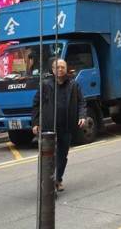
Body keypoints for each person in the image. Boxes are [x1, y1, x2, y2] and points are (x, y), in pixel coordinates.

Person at [31, 58, 86, 193]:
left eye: (62, 67)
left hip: (66, 126)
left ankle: (58, 179)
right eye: (57, 67)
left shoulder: (73, 84)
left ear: (66, 69)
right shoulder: (45, 85)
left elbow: (81, 102)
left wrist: (82, 116)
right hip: (49, 127)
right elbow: (36, 104)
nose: (60, 69)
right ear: (53, 69)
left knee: (62, 155)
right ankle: (48, 181)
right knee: (48, 155)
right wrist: (36, 123)